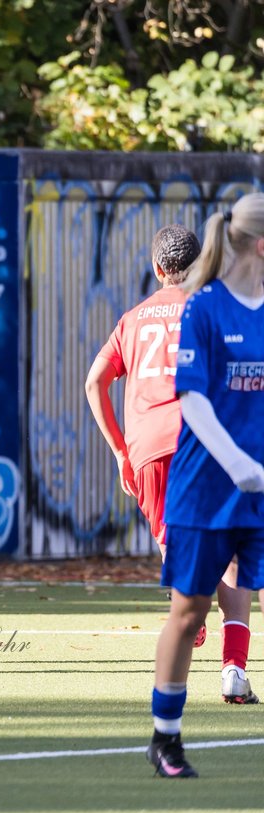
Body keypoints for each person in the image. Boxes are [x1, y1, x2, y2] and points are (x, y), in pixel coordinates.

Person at [85, 224, 258, 705]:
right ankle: (234, 670)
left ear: (157, 269)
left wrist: (121, 452)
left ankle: (190, 608)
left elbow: (94, 382)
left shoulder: (132, 318)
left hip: (147, 451)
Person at [144, 196, 264, 778]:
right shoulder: (205, 307)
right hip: (206, 487)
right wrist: (241, 465)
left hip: (258, 487)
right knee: (189, 612)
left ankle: (236, 671)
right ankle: (165, 737)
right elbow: (191, 398)